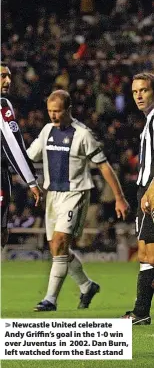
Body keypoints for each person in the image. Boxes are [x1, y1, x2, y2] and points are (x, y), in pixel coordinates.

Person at [27, 89, 130, 311]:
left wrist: (119, 198)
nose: (53, 116)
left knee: (61, 242)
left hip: (76, 194)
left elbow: (103, 166)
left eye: (58, 111)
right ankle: (86, 286)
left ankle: (50, 300)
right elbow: (29, 157)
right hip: (52, 195)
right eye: (50, 111)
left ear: (69, 110)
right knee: (56, 247)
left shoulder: (83, 134)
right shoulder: (46, 131)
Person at [122, 73, 154, 325]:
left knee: (150, 255)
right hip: (144, 190)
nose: (139, 95)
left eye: (144, 90)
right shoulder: (148, 121)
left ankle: (141, 311)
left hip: (151, 190)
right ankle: (141, 312)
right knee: (145, 254)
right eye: (135, 92)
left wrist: (152, 189)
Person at [0, 62, 40, 248]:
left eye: (8, 76)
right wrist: (31, 180)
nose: (7, 80)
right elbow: (13, 144)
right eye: (2, 76)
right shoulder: (2, 105)